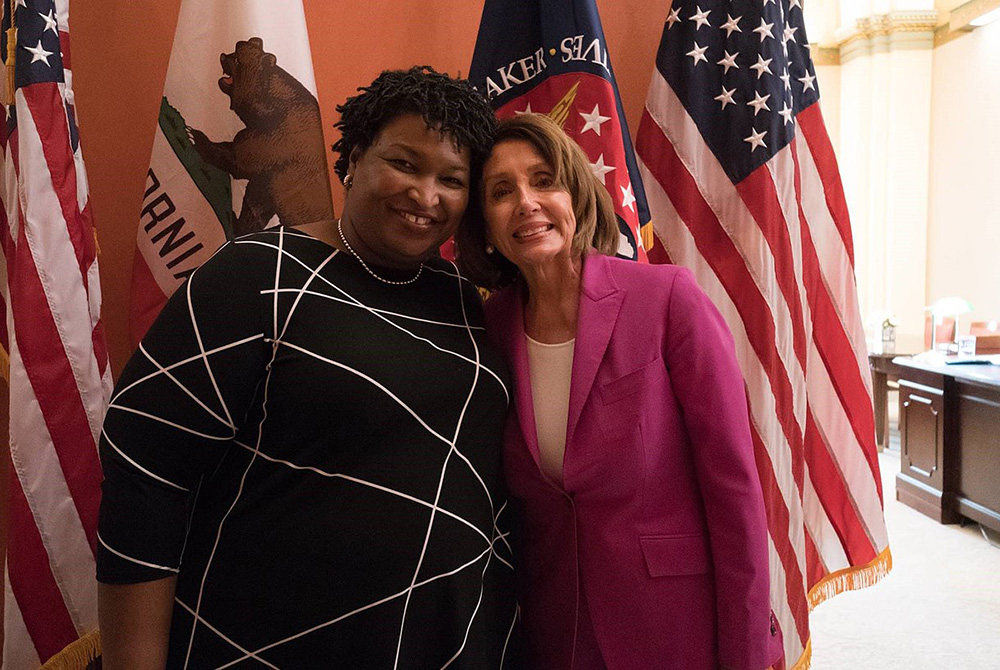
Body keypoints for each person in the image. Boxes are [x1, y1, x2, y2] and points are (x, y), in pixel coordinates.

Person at [97, 66, 519, 669]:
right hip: (261, 646)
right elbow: (145, 470)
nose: (426, 196)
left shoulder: (466, 303)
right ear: (351, 158)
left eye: (451, 179)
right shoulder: (258, 275)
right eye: (404, 163)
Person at [457, 113, 784, 670]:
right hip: (555, 628)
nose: (526, 203)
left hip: (677, 622)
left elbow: (735, 493)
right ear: (485, 224)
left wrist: (747, 654)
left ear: (576, 197)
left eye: (544, 180)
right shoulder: (485, 330)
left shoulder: (667, 300)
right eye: (501, 191)